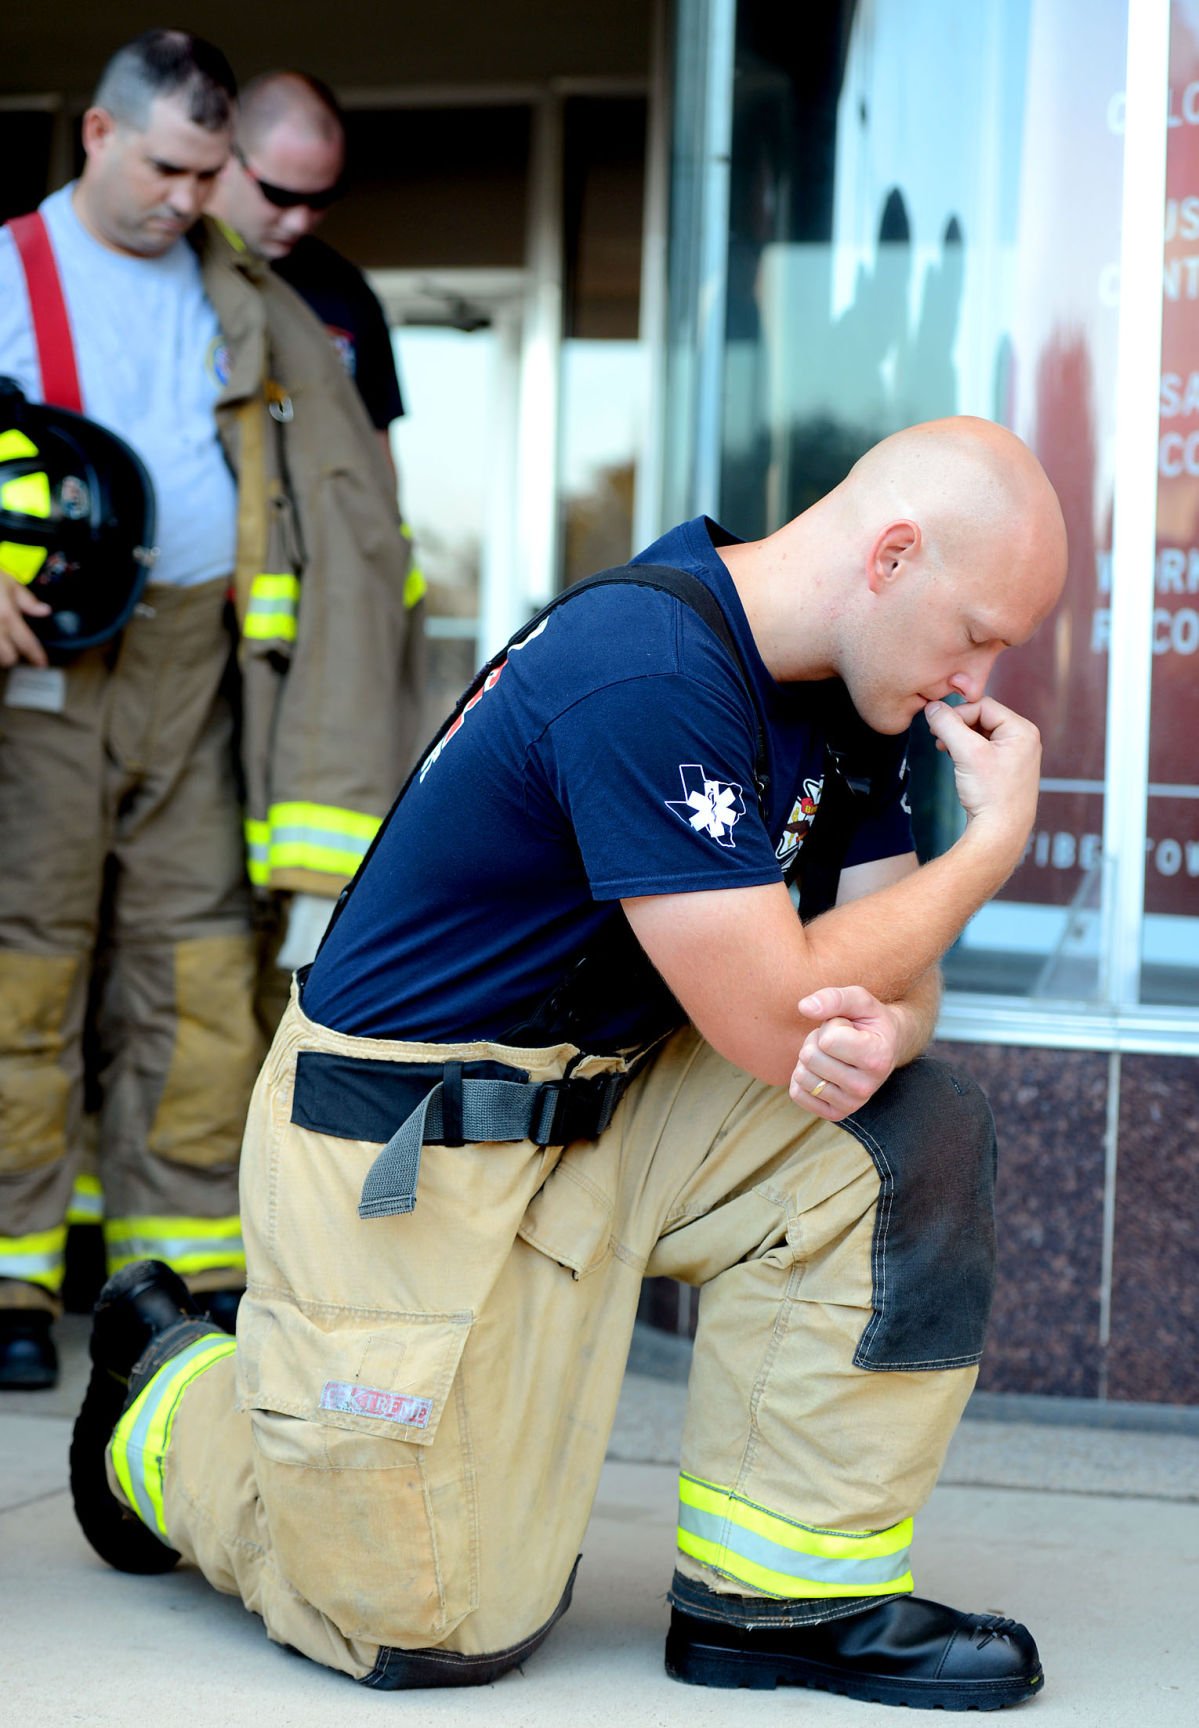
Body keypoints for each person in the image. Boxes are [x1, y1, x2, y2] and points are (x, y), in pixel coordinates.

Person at [71, 416, 1068, 1710]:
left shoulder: (851, 693)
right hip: (404, 1145)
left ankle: (782, 1606)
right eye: (978, 630)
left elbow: (884, 978)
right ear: (888, 556)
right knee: (423, 1628)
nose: (976, 675)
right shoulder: (644, 667)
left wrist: (890, 1026)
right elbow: (775, 1015)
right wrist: (989, 850)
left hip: (603, 1109)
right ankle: (170, 1393)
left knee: (899, 1135)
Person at [0, 30, 423, 1391]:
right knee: (26, 959)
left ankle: (169, 1270)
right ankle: (9, 1269)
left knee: (192, 976)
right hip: (44, 673)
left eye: (207, 174)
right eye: (169, 170)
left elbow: (344, 501)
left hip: (200, 668)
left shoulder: (244, 292)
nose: (187, 201)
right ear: (97, 135)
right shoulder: (8, 270)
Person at [207, 70, 405, 465]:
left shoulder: (345, 290)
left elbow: (374, 455)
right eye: (279, 195)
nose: (300, 221)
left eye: (322, 199)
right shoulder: (164, 267)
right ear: (226, 157)